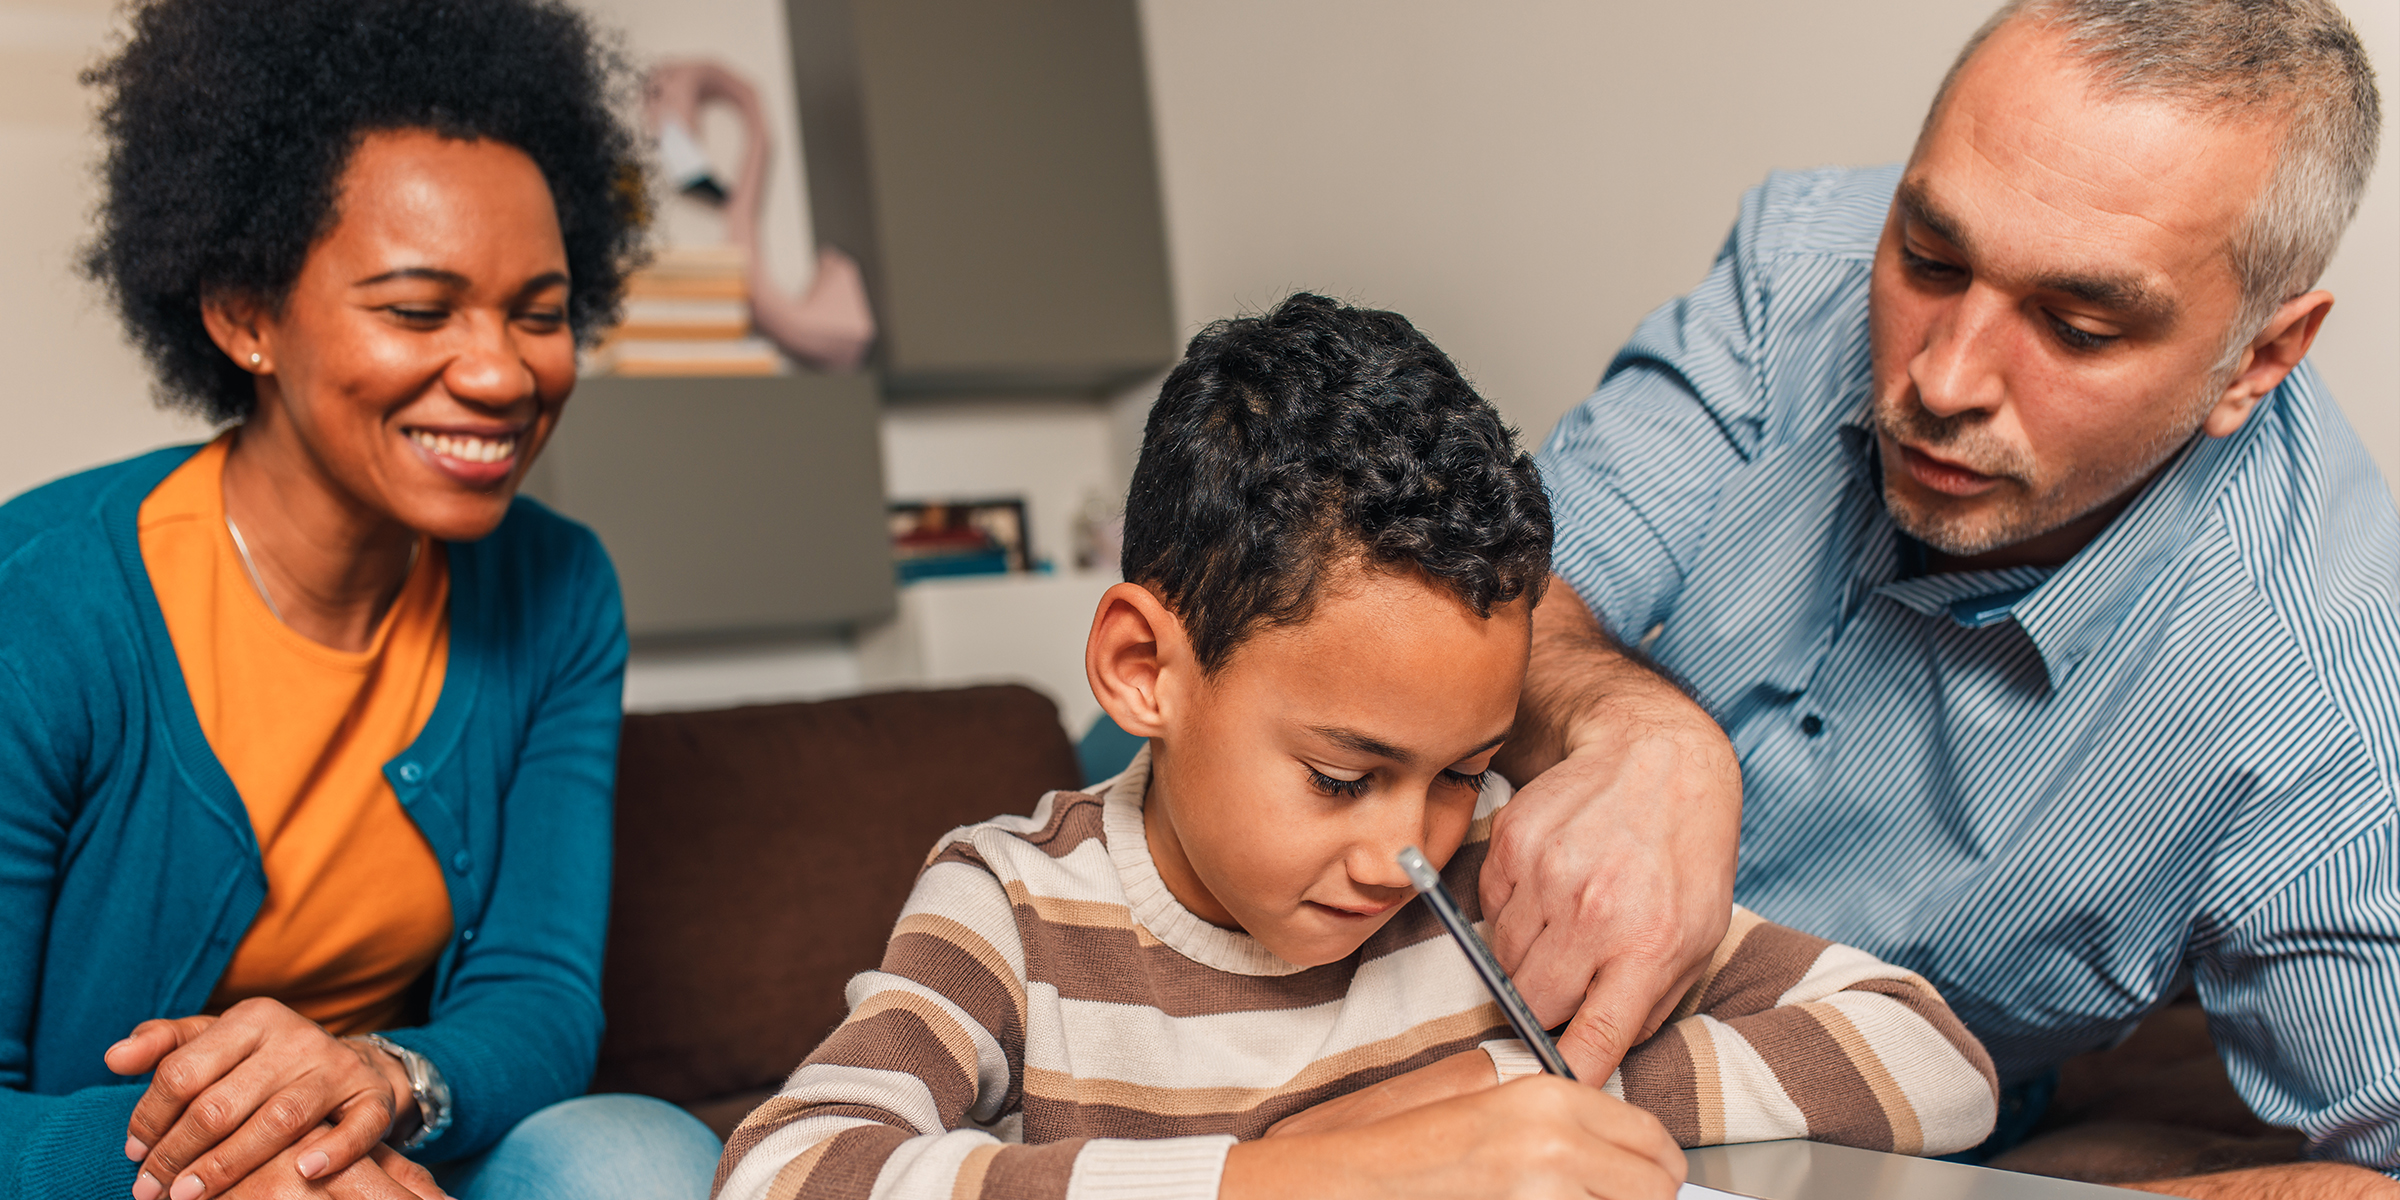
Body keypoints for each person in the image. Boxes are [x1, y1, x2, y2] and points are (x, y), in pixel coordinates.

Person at [712, 294, 2000, 1200]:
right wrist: (1292, 1177)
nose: (1407, 850)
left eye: (1457, 767)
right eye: (1342, 776)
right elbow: (785, 1170)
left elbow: (1936, 1060)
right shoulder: (1014, 907)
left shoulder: (1506, 861)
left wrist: (1514, 1116)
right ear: (1144, 670)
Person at [1484, 0, 2397, 1194]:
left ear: (2260, 362)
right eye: (1929, 260)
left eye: (2074, 327)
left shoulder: (2327, 707)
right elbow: (1493, 590)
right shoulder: (1801, 267)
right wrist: (1644, 730)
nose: (1943, 377)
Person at [0, 1, 722, 1197]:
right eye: (417, 310)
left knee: (641, 1156)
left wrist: (386, 1079)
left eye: (539, 314)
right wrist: (230, 1166)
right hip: (121, 1179)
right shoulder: (42, 607)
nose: (500, 373)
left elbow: (536, 995)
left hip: (395, 1150)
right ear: (245, 316)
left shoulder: (558, 589)